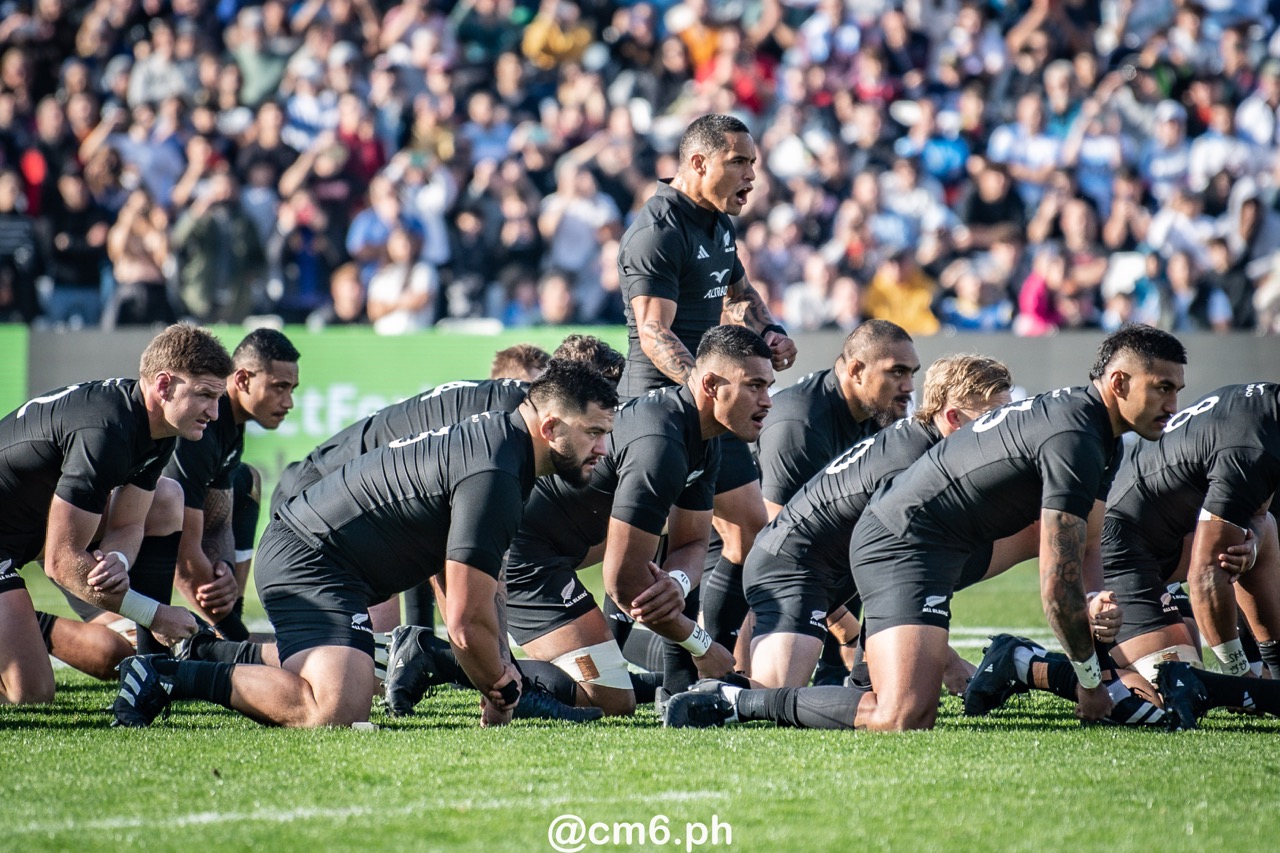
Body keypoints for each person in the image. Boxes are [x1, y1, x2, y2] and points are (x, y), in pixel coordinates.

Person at [665, 325, 1188, 732]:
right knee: (834, 698)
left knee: (917, 683)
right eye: (1162, 387)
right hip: (799, 564)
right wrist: (1093, 677)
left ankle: (1009, 663)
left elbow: (1084, 548)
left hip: (886, 556)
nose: (1174, 403)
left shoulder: (1101, 440)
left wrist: (1096, 608)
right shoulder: (902, 453)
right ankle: (725, 695)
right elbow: (856, 537)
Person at [112, 360, 619, 729]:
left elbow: (480, 597)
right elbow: (465, 621)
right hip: (309, 560)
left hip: (328, 560)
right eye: (594, 433)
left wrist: (495, 678)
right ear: (550, 426)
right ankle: (166, 676)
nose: (602, 447)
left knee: (349, 680)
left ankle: (207, 651)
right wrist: (505, 686)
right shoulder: (497, 469)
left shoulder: (505, 449)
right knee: (334, 709)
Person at [389, 326, 775, 717]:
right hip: (528, 557)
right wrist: (702, 646)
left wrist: (677, 581)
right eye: (755, 386)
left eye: (769, 386)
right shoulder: (662, 443)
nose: (767, 400)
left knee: (614, 689)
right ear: (710, 384)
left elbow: (691, 543)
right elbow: (624, 583)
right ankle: (436, 655)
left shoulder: (701, 436)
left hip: (558, 553)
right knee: (610, 700)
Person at [969, 383, 1280, 730]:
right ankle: (1022, 661)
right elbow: (1206, 574)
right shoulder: (1254, 438)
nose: (1171, 398)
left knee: (1263, 530)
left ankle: (1271, 662)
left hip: (1166, 543)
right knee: (1162, 700)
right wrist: (1244, 679)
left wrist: (1253, 541)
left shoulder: (1261, 410)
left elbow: (1256, 512)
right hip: (1123, 550)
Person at [616, 114, 797, 695]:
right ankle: (674, 666)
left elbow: (737, 291)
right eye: (739, 163)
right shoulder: (659, 229)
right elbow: (652, 332)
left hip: (708, 403)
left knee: (746, 532)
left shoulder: (717, 223)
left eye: (755, 164)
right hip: (663, 405)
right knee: (663, 550)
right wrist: (701, 390)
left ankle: (702, 667)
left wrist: (769, 331)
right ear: (698, 162)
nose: (752, 177)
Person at [744, 355, 1012, 691]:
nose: (1005, 429)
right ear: (954, 418)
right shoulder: (916, 470)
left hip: (839, 569)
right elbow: (900, 574)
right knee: (769, 696)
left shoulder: (927, 442)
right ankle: (675, 688)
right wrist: (949, 662)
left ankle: (862, 684)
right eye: (994, 418)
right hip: (792, 569)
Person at [1, 324, 230, 703]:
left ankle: (151, 663)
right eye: (205, 395)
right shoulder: (106, 430)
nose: (215, 412)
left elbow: (129, 523)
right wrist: (155, 615)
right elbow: (61, 562)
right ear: (164, 385)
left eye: (218, 397)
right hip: (14, 544)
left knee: (165, 497)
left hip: (23, 533)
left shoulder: (157, 428)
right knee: (30, 694)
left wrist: (119, 559)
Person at [702, 320, 918, 673]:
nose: (909, 386)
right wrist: (850, 633)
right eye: (897, 373)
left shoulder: (880, 416)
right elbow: (778, 546)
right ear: (857, 371)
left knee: (869, 535)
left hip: (799, 552)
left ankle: (836, 671)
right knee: (737, 677)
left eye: (911, 373)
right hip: (739, 557)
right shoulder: (800, 425)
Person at [165, 329, 299, 641]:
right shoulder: (199, 429)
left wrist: (224, 565)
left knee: (246, 480)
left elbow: (219, 519)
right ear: (241, 380)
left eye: (292, 389)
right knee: (111, 654)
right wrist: (241, 640)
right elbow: (182, 559)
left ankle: (226, 630)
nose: (288, 402)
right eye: (279, 387)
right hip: (102, 556)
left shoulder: (230, 428)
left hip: (142, 546)